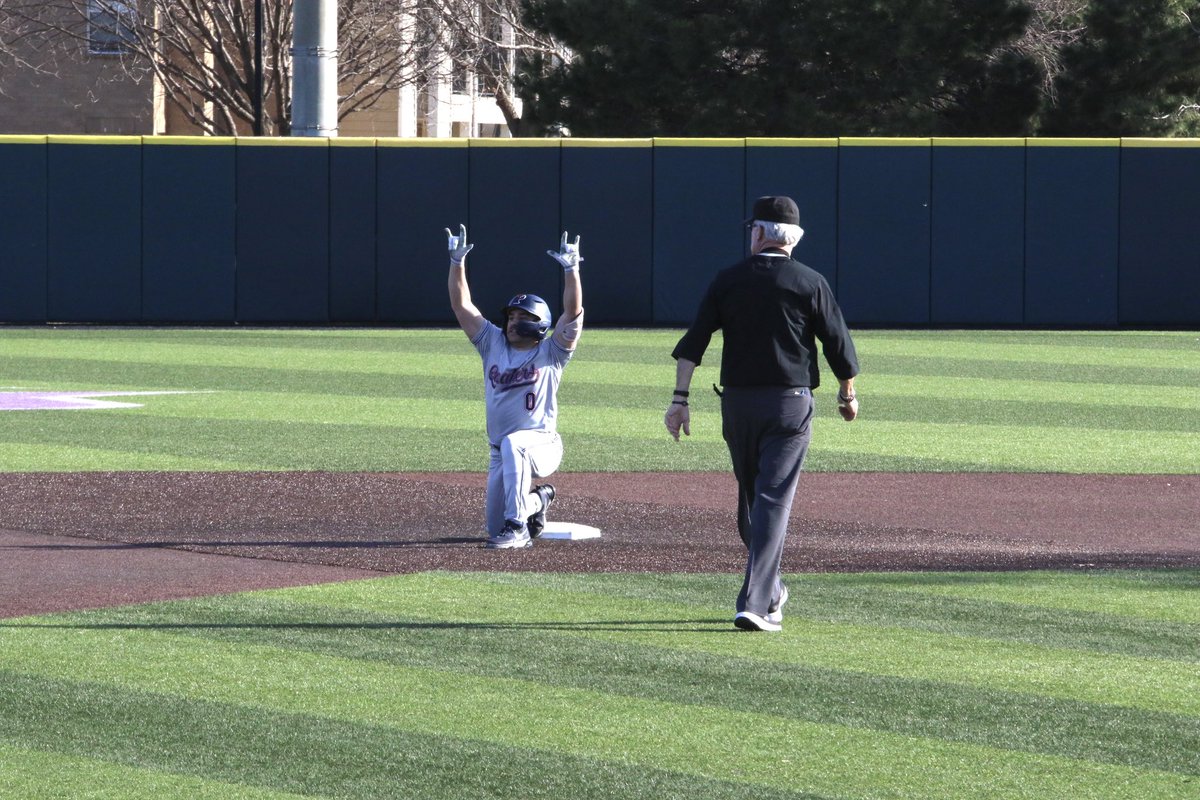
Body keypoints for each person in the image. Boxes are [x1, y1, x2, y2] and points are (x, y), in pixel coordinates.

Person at [664, 195, 859, 631]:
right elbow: (838, 344)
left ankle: (760, 599)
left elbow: (694, 342)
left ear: (759, 233)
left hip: (738, 405)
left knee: (757, 500)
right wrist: (847, 395)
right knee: (763, 501)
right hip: (789, 405)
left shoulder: (729, 279)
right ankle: (764, 598)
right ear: (793, 238)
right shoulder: (810, 281)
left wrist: (680, 399)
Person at [447, 224, 584, 549]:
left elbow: (572, 313)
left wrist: (572, 270)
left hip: (542, 445)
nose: (511, 321)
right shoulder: (492, 343)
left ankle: (519, 529)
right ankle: (539, 500)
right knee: (494, 527)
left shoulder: (552, 352)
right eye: (510, 316)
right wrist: (456, 263)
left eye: (521, 316)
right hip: (500, 453)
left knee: (515, 444)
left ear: (539, 323)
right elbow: (462, 306)